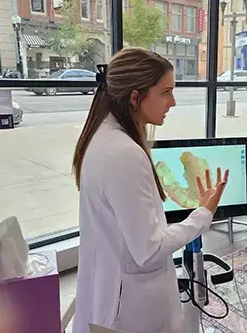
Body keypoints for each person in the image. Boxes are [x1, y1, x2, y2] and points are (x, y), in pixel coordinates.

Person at [71, 48, 229, 333]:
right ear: (135, 97)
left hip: (112, 292)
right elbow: (149, 249)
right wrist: (202, 214)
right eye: (166, 92)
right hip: (130, 308)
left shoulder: (103, 139)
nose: (173, 102)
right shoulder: (123, 154)